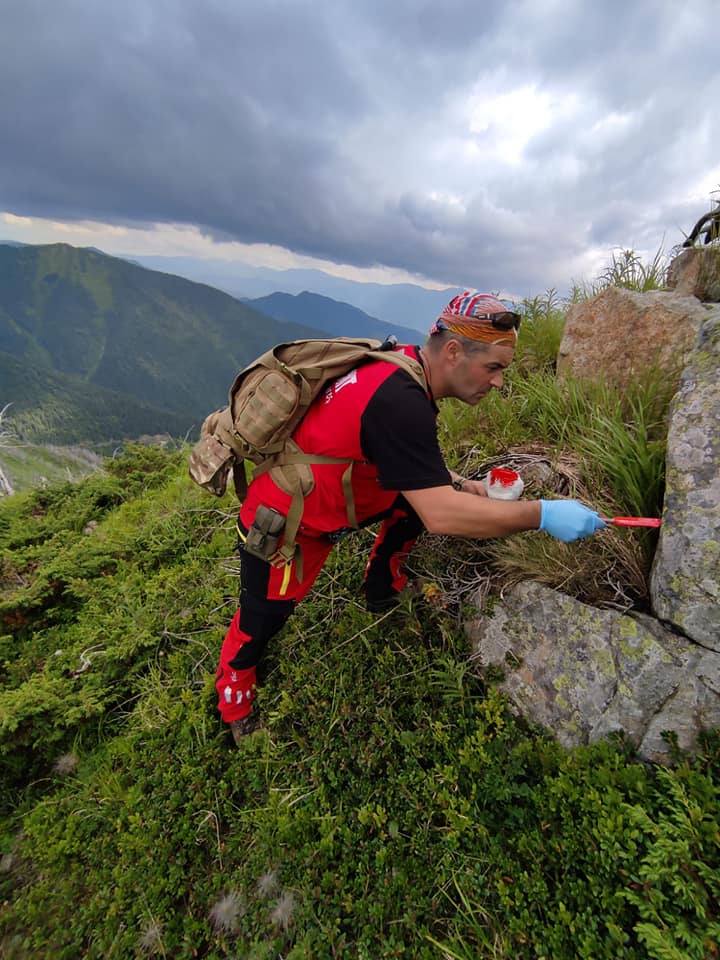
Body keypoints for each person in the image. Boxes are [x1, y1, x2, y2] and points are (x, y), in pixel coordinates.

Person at [215, 290, 605, 742]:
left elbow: (404, 459)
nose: (498, 382)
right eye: (493, 367)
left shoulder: (401, 364)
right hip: (286, 524)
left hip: (329, 499)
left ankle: (382, 587)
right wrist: (541, 514)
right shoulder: (401, 401)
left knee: (412, 503)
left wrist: (464, 485)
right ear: (454, 351)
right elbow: (440, 515)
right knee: (262, 617)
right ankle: (234, 699)